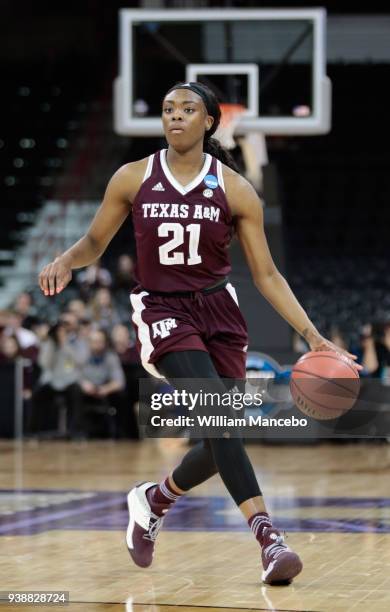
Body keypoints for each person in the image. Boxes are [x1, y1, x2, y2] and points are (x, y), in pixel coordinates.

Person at [38, 81, 362, 586]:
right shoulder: (133, 177)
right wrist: (65, 261)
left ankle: (155, 498)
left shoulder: (234, 188)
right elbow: (95, 241)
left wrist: (313, 336)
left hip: (219, 311)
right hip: (162, 310)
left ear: (209, 121)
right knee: (218, 414)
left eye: (187, 109)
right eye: (168, 109)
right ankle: (269, 539)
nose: (175, 116)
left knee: (221, 435)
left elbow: (267, 275)